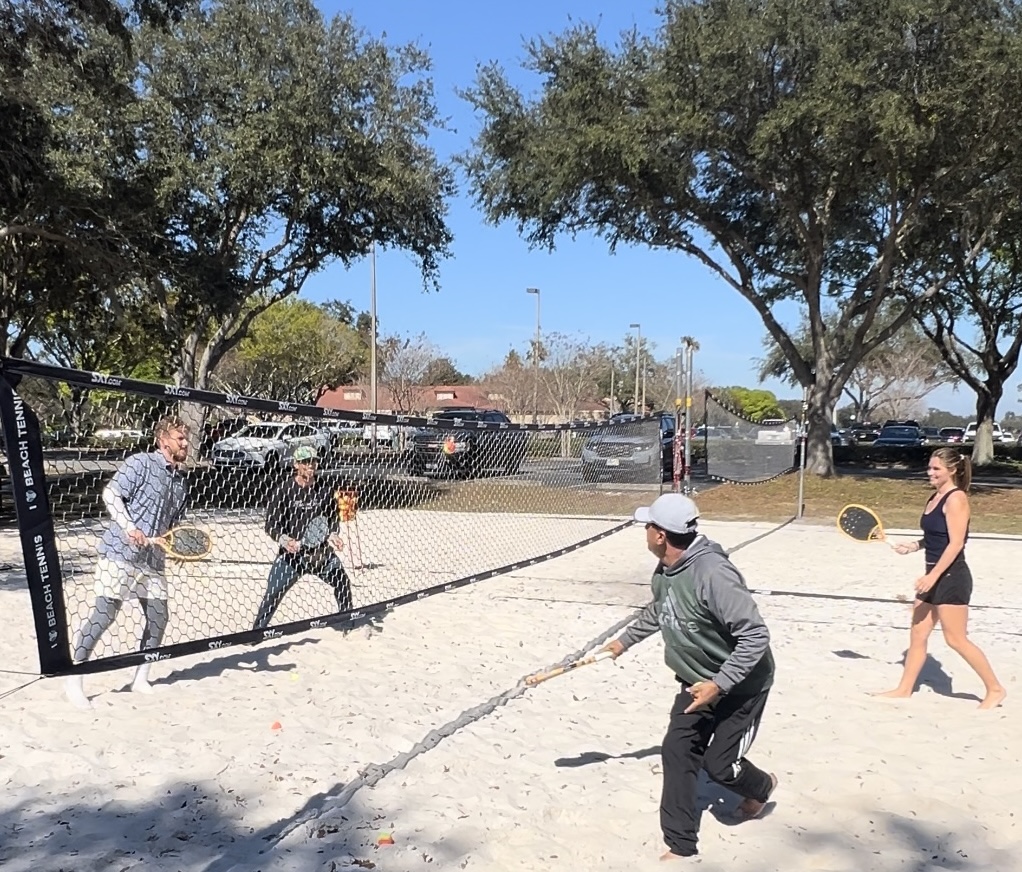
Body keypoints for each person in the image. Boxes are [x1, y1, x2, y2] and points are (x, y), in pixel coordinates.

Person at [600, 493, 777, 862]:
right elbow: (661, 609)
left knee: (718, 766)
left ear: (660, 535)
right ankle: (681, 844)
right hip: (695, 681)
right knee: (677, 751)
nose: (645, 531)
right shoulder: (665, 569)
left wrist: (720, 683)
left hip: (741, 685)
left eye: (648, 525)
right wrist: (622, 642)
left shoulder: (713, 573)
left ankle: (761, 786)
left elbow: (756, 635)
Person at [65, 415, 190, 709]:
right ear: (163, 440)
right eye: (179, 438)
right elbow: (111, 494)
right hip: (119, 553)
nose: (185, 443)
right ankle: (74, 677)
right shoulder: (140, 463)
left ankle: (140, 678)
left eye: (186, 438)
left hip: (153, 560)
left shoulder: (182, 482)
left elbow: (173, 528)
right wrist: (129, 527)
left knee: (159, 619)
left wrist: (176, 548)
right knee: (105, 615)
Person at [876, 447, 1006, 709]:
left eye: (936, 469)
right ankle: (904, 689)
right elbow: (936, 537)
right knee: (918, 635)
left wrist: (932, 576)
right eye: (929, 467)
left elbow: (956, 544)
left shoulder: (956, 499)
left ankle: (995, 688)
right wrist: (913, 546)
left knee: (955, 639)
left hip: (951, 577)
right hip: (933, 575)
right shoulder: (935, 497)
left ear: (952, 470)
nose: (930, 472)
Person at [252, 446, 353, 630]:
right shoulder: (284, 490)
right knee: (273, 593)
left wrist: (333, 535)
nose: (311, 465)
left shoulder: (324, 489)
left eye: (313, 460)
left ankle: (348, 625)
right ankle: (256, 634)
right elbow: (270, 524)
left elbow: (331, 519)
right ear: (296, 464)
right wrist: (285, 540)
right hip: (292, 556)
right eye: (305, 462)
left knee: (342, 582)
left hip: (320, 554)